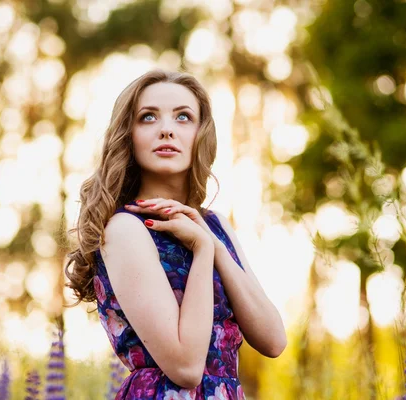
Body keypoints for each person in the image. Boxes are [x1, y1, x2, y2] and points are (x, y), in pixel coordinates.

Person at [64, 69, 287, 399]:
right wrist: (201, 251)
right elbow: (185, 367)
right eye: (148, 117)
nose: (166, 129)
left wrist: (210, 242)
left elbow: (273, 340)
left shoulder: (215, 225)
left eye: (183, 117)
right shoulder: (126, 229)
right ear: (129, 134)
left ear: (201, 134)